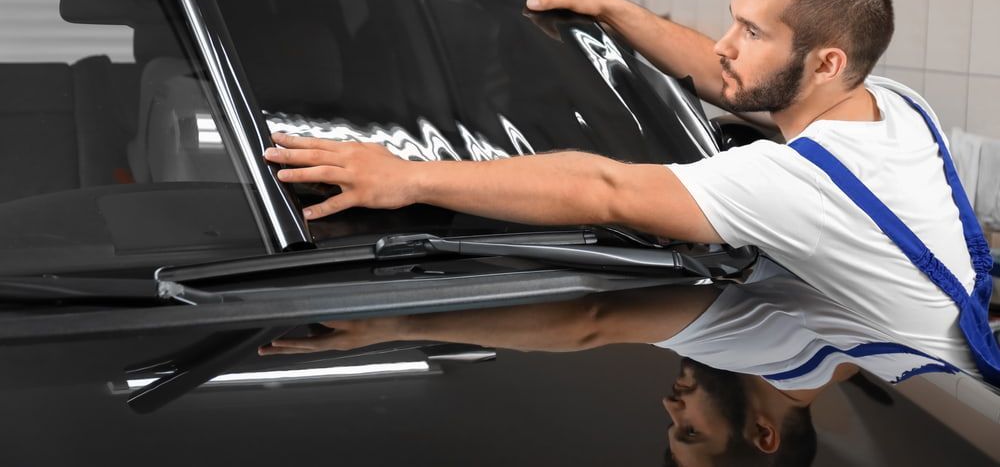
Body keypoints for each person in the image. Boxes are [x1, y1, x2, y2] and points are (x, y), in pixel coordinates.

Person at [261, 0, 1000, 386]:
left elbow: (604, 188)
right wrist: (606, 5)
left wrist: (406, 174)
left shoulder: (792, 182)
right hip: (910, 367)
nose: (723, 43)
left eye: (751, 31)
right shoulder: (893, 104)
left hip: (925, 389)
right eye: (733, 21)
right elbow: (724, 81)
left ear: (827, 60)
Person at [261, 256, 951, 465]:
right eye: (691, 429)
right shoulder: (764, 347)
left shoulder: (873, 356)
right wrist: (389, 323)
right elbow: (594, 320)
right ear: (764, 434)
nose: (671, 405)